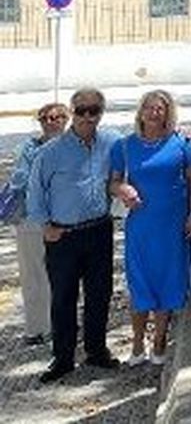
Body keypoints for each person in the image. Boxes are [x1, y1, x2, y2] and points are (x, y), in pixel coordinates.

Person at [26, 88, 119, 382]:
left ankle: (96, 350)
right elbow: (35, 192)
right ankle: (63, 357)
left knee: (99, 294)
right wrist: (45, 225)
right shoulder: (50, 152)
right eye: (82, 111)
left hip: (99, 230)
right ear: (73, 112)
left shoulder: (112, 142)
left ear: (101, 113)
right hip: (62, 236)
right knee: (64, 297)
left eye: (94, 110)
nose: (88, 116)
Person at [109, 89, 191, 365]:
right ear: (141, 112)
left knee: (168, 281)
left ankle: (159, 340)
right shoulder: (123, 146)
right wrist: (123, 189)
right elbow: (112, 183)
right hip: (142, 225)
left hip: (173, 225)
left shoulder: (181, 144)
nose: (153, 112)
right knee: (140, 281)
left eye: (160, 108)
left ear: (167, 112)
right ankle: (137, 342)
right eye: (148, 107)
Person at [10, 102, 66, 346]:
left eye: (56, 117)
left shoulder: (75, 146)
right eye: (45, 118)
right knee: (33, 273)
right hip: (31, 219)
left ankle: (61, 322)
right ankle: (36, 328)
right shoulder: (28, 148)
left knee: (64, 274)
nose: (51, 122)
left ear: (66, 119)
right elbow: (20, 180)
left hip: (65, 218)